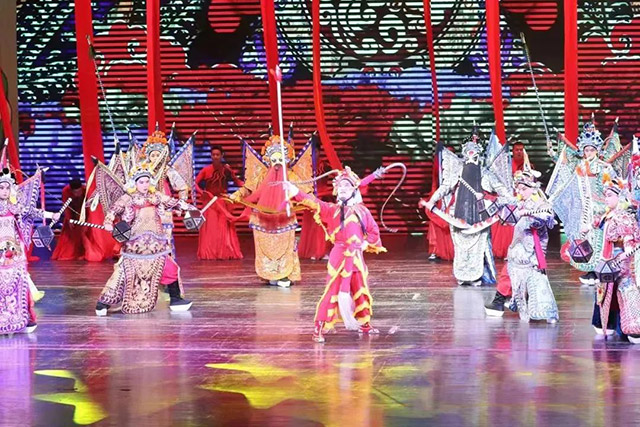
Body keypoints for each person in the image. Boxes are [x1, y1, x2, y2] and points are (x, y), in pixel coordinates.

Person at [287, 166, 386, 343]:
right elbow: (313, 201)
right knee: (332, 291)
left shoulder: (362, 211)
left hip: (356, 257)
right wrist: (295, 191)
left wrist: (365, 244)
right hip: (339, 256)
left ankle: (364, 323)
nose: (342, 189)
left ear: (354, 189)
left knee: (360, 288)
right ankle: (319, 327)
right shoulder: (331, 209)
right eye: (340, 186)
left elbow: (373, 231)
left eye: (346, 186)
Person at [92, 161, 198, 315]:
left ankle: (176, 300)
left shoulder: (156, 196)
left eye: (147, 181)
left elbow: (174, 203)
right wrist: (108, 222)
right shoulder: (128, 198)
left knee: (171, 269)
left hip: (156, 245)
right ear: (135, 183)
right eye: (141, 182)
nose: (145, 185)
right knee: (122, 274)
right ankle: (103, 303)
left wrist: (191, 209)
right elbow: (112, 211)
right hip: (135, 246)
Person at [424, 128, 512, 286]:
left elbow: (504, 193)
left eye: (474, 154)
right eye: (468, 154)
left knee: (479, 247)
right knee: (461, 248)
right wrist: (432, 200)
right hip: (459, 214)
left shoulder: (486, 174)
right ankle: (463, 276)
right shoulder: (458, 173)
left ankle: (479, 275)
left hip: (480, 216)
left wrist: (494, 200)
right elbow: (445, 187)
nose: (471, 157)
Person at [229, 127, 313, 287]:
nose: (277, 163)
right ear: (268, 160)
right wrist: (237, 194)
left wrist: (317, 203)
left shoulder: (290, 176)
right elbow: (248, 188)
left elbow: (305, 192)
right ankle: (270, 275)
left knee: (285, 247)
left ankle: (284, 275)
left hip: (284, 216)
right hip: (263, 217)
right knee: (265, 248)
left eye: (280, 159)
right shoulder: (262, 175)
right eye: (273, 160)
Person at [485, 152, 559, 323]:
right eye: (518, 189)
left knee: (535, 279)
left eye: (523, 189)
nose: (520, 192)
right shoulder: (521, 202)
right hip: (518, 247)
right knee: (512, 273)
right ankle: (505, 301)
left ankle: (544, 311)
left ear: (533, 188)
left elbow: (547, 218)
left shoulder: (541, 204)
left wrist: (530, 214)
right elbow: (507, 208)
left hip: (532, 249)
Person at [547, 121, 618, 285]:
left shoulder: (602, 167)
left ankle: (599, 269)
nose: (589, 153)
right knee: (586, 239)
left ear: (597, 150)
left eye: (592, 150)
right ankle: (590, 270)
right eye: (586, 150)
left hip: (599, 207)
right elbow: (565, 169)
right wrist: (552, 154)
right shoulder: (580, 165)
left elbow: (609, 186)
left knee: (599, 241)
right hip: (584, 207)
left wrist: (609, 172)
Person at [0, 165, 60, 334]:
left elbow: (32, 212)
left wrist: (50, 215)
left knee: (19, 283)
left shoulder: (15, 206)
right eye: (1, 188)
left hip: (13, 252)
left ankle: (24, 319)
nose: (4, 191)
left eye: (7, 188)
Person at [587, 176, 640, 342]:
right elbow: (598, 223)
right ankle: (607, 324)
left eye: (610, 196)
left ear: (619, 196)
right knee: (605, 290)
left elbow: (629, 239)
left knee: (625, 289)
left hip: (619, 260)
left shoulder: (623, 217)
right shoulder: (609, 215)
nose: (606, 199)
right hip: (608, 259)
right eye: (606, 196)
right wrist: (587, 227)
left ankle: (634, 327)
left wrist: (627, 252)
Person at [195, 145, 244, 260]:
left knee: (223, 228)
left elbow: (237, 182)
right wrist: (202, 192)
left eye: (217, 155)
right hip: (210, 203)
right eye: (213, 155)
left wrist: (249, 186)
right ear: (211, 156)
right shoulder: (205, 170)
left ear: (222, 155)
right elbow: (195, 183)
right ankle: (210, 252)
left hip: (222, 202)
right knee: (211, 229)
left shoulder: (226, 170)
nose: (215, 157)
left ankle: (224, 252)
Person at [51, 178, 86, 260]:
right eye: (75, 192)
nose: (77, 194)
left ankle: (84, 252)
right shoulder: (66, 191)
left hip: (83, 212)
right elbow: (66, 207)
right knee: (70, 233)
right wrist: (69, 219)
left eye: (79, 192)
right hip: (72, 212)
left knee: (84, 232)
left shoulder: (86, 189)